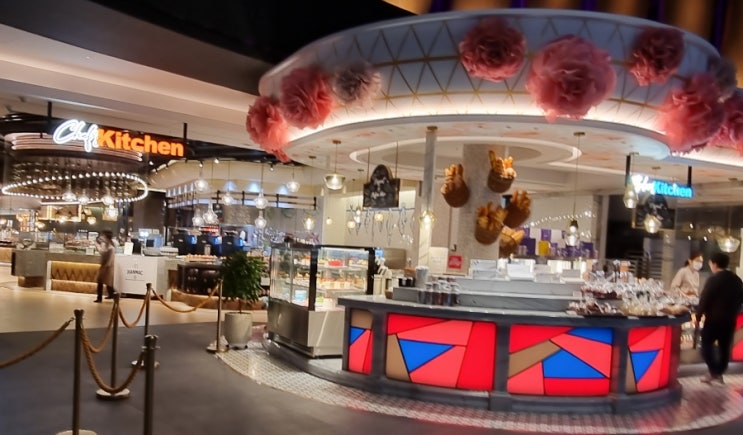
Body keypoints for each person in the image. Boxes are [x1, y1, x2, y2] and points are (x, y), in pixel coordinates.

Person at [695, 252, 743, 384]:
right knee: (724, 348)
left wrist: (698, 316)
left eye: (710, 263)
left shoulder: (714, 279)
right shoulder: (737, 280)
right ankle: (719, 372)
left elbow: (705, 299)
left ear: (714, 264)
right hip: (730, 320)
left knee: (705, 346)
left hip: (714, 320)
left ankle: (714, 372)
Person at [94, 230, 117, 303]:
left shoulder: (111, 248)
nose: (102, 238)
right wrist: (97, 246)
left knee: (108, 283)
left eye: (104, 236)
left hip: (108, 267)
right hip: (104, 266)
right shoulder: (104, 245)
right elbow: (102, 252)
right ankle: (102, 297)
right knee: (102, 282)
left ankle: (114, 296)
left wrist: (105, 267)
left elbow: (110, 260)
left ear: (107, 238)